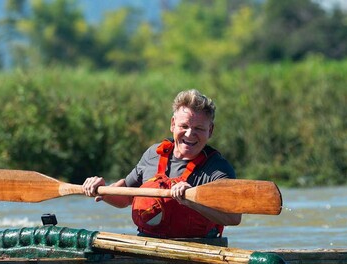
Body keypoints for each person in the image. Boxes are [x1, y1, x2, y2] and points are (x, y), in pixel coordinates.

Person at [82, 89, 241, 238]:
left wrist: (193, 201)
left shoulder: (218, 170)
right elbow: (125, 198)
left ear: (210, 130)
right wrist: (101, 190)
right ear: (173, 124)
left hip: (198, 252)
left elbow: (233, 218)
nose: (189, 134)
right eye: (183, 126)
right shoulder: (153, 154)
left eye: (199, 128)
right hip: (147, 248)